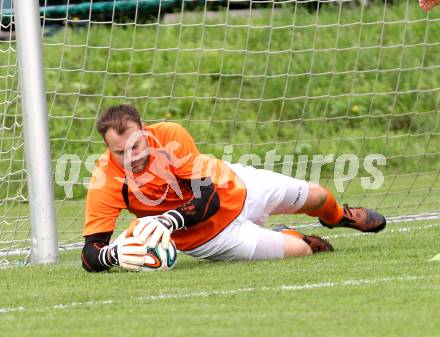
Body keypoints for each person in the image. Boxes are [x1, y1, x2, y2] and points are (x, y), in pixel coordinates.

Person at [81, 105, 386, 272]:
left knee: (318, 195)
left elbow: (208, 198)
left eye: (136, 145)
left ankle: (337, 217)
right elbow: (89, 253)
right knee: (300, 252)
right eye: (120, 152)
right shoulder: (106, 180)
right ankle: (288, 234)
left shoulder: (170, 135)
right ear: (107, 148)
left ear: (145, 131)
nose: (131, 157)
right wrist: (112, 256)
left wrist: (165, 220)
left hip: (238, 186)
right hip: (213, 238)